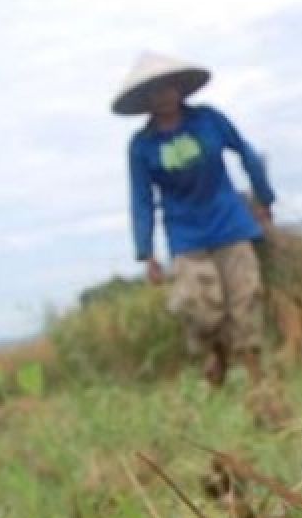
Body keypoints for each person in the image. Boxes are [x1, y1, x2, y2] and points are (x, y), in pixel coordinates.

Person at [113, 51, 276, 394]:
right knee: (202, 310)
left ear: (179, 88)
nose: (163, 96)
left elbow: (246, 152)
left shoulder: (208, 120)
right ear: (146, 99)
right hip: (186, 236)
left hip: (230, 223)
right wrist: (147, 253)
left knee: (244, 301)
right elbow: (140, 198)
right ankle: (217, 354)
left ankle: (257, 380)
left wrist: (263, 198)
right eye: (154, 91)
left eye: (168, 87)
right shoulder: (142, 147)